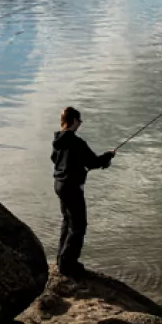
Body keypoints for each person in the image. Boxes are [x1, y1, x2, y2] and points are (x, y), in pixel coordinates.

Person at [51, 106, 114, 276]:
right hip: (71, 187)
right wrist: (108, 156)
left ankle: (61, 259)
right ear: (73, 121)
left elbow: (54, 159)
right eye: (79, 120)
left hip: (59, 184)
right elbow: (93, 161)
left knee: (67, 221)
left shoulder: (58, 140)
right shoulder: (76, 142)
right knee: (78, 225)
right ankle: (68, 264)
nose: (80, 124)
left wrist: (76, 166)